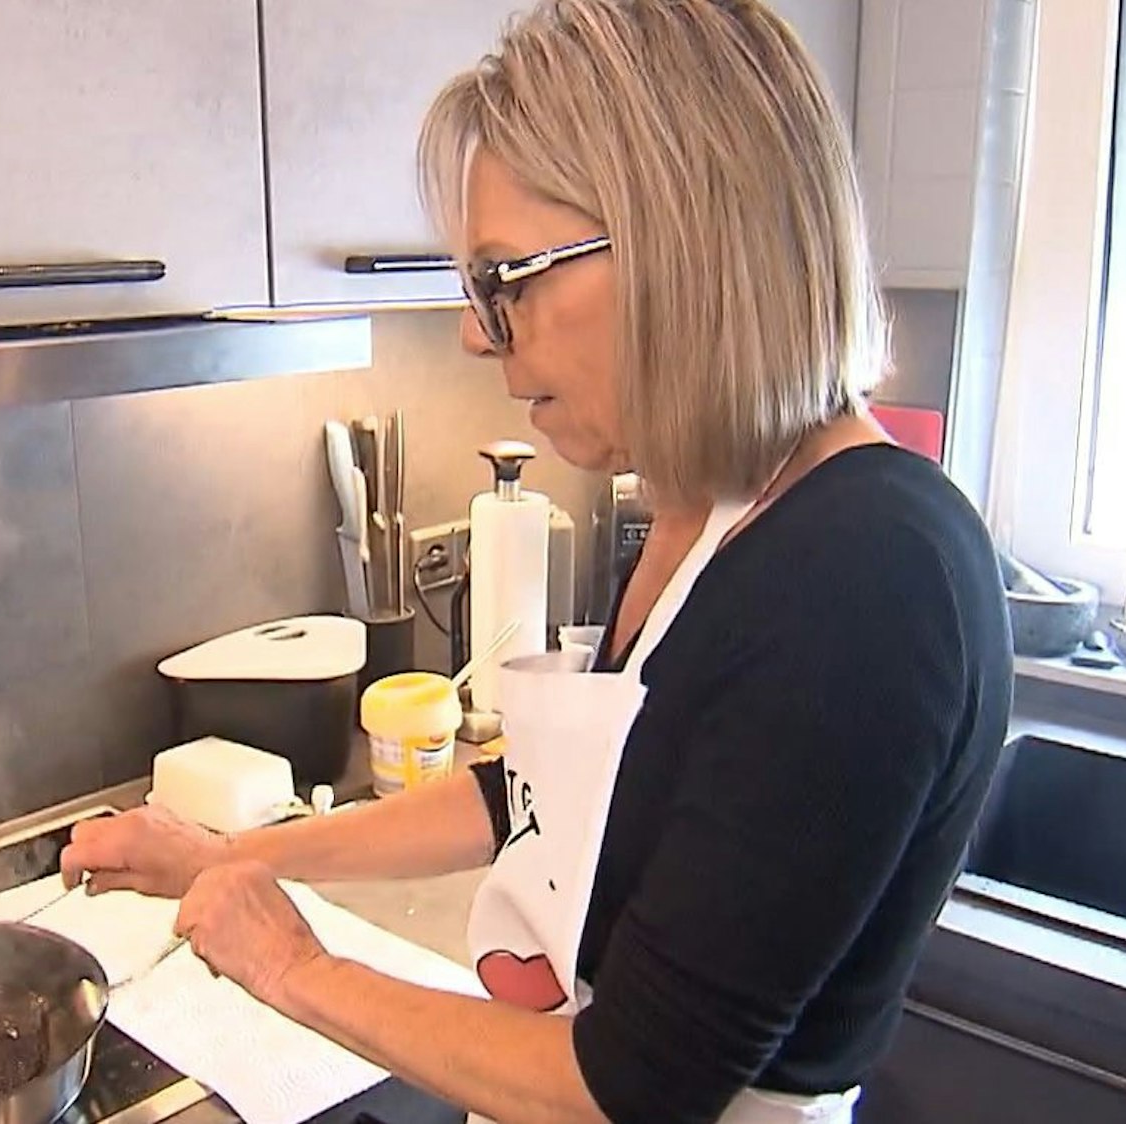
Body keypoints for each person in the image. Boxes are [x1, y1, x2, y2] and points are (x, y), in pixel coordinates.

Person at [58, 1, 1012, 1121]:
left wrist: (292, 964)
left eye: (505, 277)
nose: (474, 330)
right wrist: (239, 853)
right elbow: (534, 796)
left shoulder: (868, 577)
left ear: (682, 242)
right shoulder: (708, 512)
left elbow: (627, 1086)